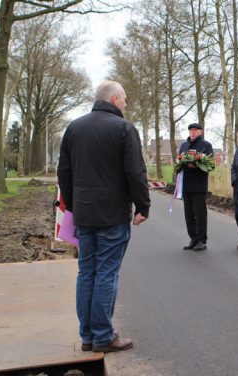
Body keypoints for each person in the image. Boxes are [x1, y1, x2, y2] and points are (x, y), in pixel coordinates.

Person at [57, 80, 150, 352]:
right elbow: (135, 172)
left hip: (84, 215)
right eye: (124, 100)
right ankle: (103, 336)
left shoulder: (74, 128)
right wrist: (142, 206)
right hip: (112, 214)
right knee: (107, 273)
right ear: (115, 99)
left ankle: (87, 335)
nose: (125, 104)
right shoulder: (124, 129)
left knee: (87, 272)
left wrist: (74, 205)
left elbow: (65, 173)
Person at [179, 123, 213, 251]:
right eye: (191, 130)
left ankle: (202, 240)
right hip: (186, 184)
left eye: (195, 130)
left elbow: (210, 164)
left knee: (200, 214)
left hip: (199, 185)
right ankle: (193, 238)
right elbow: (179, 161)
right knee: (189, 214)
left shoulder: (206, 145)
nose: (192, 132)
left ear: (200, 132)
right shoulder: (184, 145)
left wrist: (197, 165)